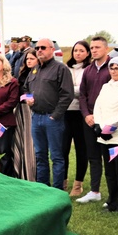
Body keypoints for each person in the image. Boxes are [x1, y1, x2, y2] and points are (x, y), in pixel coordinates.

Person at [26, 38, 73, 189]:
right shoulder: (35, 69)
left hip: (52, 118)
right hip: (36, 117)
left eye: (43, 48)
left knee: (56, 157)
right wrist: (28, 99)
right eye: (37, 48)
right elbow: (26, 88)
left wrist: (55, 115)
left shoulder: (61, 69)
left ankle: (57, 190)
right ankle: (43, 188)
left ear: (52, 50)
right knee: (40, 155)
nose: (39, 50)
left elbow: (68, 95)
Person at [91, 57, 118, 212]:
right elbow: (98, 106)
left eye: (117, 68)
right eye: (112, 68)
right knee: (109, 170)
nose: (114, 71)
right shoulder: (106, 86)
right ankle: (112, 199)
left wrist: (109, 128)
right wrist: (99, 124)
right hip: (104, 136)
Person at [76, 36, 113, 203]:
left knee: (110, 158)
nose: (94, 50)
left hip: (107, 121)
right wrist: (86, 115)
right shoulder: (88, 70)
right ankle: (95, 191)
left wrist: (101, 117)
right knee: (93, 156)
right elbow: (82, 95)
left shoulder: (113, 68)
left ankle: (115, 194)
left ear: (106, 49)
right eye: (92, 47)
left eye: (98, 47)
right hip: (89, 119)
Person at [63, 41, 92, 196]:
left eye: (81, 50)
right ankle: (64, 182)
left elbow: (84, 91)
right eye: (75, 50)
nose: (78, 53)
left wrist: (71, 91)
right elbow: (62, 89)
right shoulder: (66, 69)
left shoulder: (89, 70)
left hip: (82, 114)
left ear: (87, 53)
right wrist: (75, 91)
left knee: (82, 149)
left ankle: (77, 185)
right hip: (66, 112)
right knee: (63, 149)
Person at [12, 49, 38, 181]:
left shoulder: (39, 74)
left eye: (32, 59)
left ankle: (30, 175)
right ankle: (20, 173)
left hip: (31, 111)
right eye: (27, 59)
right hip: (20, 110)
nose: (29, 61)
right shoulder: (22, 74)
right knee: (20, 143)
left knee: (30, 144)